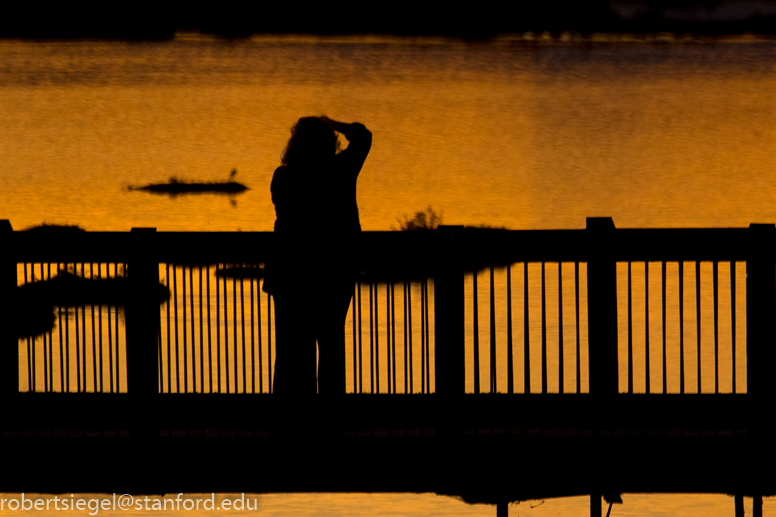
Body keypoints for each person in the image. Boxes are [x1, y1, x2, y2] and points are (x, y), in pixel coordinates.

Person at [263, 116, 372, 395]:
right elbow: (363, 137)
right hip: (334, 271)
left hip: (289, 272)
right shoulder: (341, 170)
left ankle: (290, 415)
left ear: (295, 145)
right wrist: (332, 123)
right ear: (330, 143)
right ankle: (330, 415)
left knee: (290, 348)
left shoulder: (283, 177)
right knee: (331, 343)